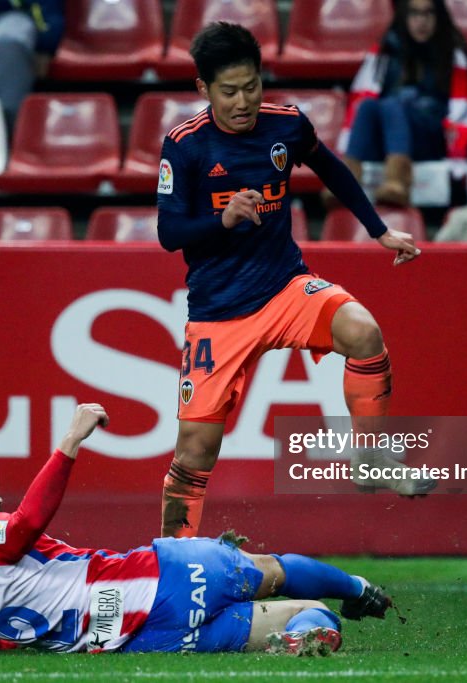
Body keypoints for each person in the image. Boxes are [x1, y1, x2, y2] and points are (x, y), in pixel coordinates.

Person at [156, 22, 435, 540]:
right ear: (203, 90)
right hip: (219, 313)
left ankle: (371, 457)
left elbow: (331, 168)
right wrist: (224, 219)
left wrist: (378, 230)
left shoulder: (285, 125)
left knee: (363, 331)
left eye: (252, 86)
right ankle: (175, 560)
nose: (244, 101)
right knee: (194, 451)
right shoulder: (185, 145)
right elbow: (169, 233)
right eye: (229, 91)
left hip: (285, 287)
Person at [0, 403, 395, 655]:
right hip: (169, 575)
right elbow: (28, 522)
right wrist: (71, 439)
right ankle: (358, 590)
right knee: (287, 581)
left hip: (147, 639)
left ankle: (299, 643)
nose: (0, 498)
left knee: (285, 626)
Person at [336, 0, 467, 206]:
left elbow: (461, 112)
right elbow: (363, 96)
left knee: (393, 104)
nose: (422, 21)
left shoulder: (453, 55)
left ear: (439, 18)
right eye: (415, 14)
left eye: (429, 14)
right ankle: (345, 182)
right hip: (390, 136)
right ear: (404, 17)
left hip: (433, 138)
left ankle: (397, 180)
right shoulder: (386, 54)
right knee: (367, 107)